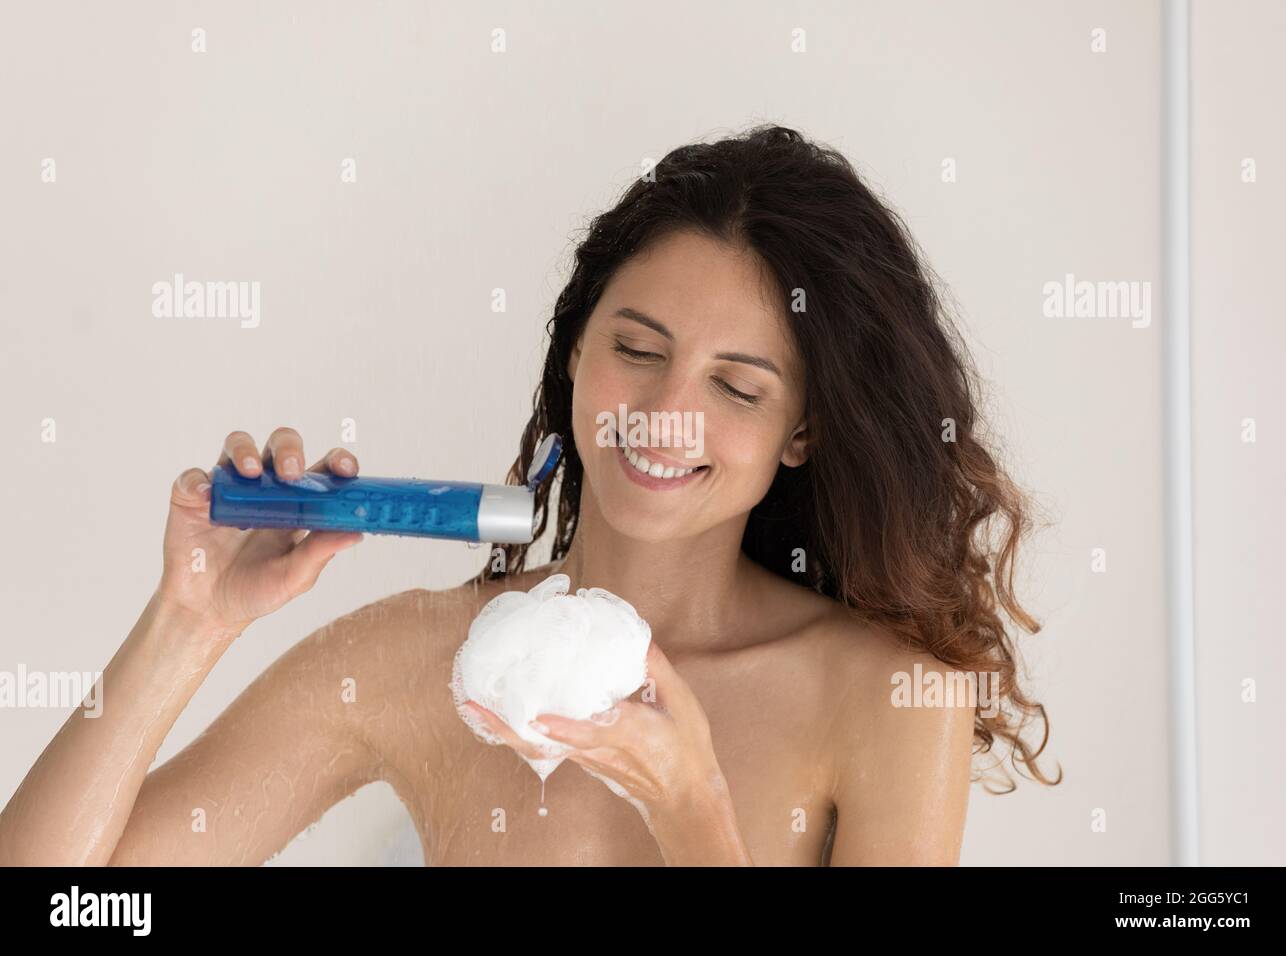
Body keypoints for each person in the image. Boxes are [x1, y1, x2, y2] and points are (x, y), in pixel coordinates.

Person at [0, 124, 1058, 867]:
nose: (665, 413)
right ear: (574, 357)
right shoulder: (407, 657)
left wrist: (691, 808)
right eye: (636, 350)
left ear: (803, 432)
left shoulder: (887, 695)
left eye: (736, 387)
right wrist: (189, 618)